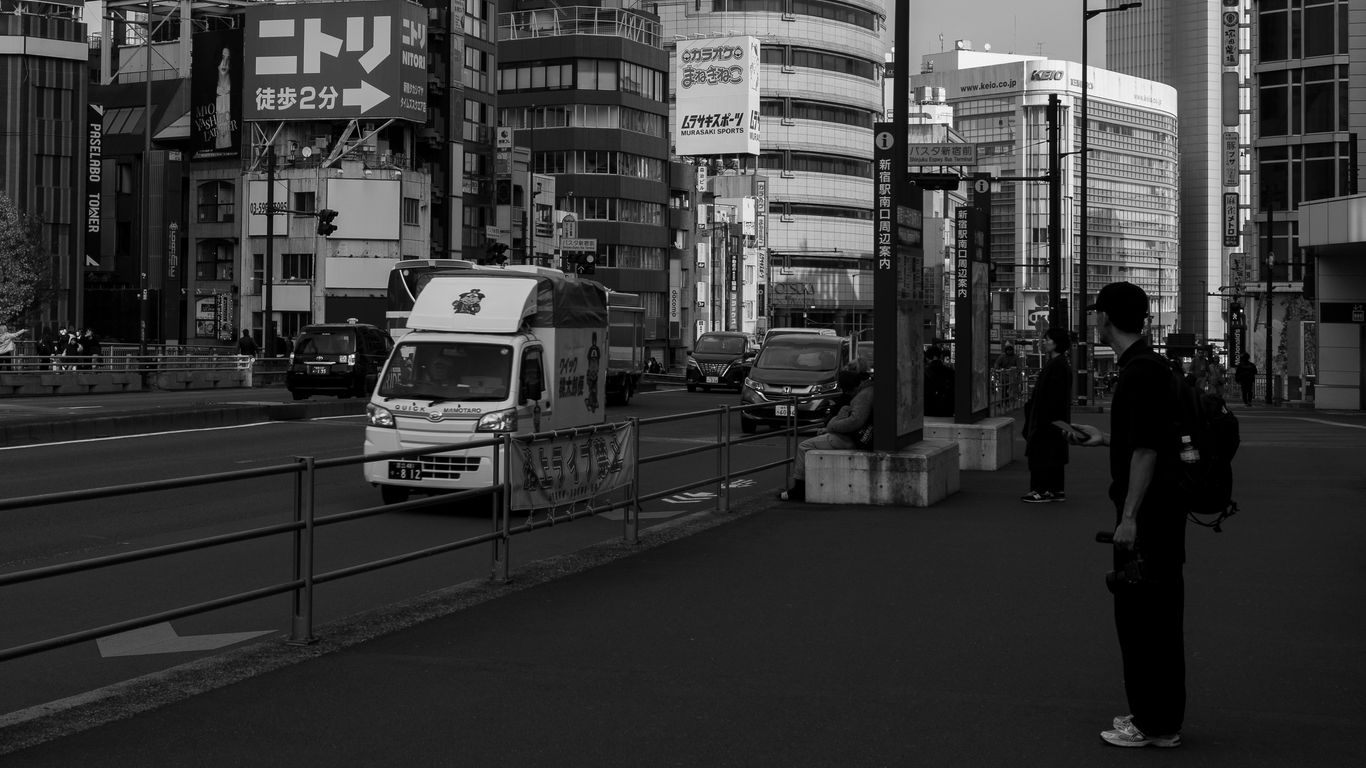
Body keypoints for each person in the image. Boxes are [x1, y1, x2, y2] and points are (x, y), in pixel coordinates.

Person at [1069, 281, 1187, 749]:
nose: (1096, 321)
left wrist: (1130, 517)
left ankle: (1152, 724)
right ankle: (1161, 720)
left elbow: (1147, 450)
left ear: (1107, 318)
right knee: (1159, 619)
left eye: (1098, 313)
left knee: (1142, 621)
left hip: (1149, 518)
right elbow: (1145, 439)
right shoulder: (1152, 366)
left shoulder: (1139, 372)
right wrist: (1103, 439)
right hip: (1166, 513)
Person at [779, 360, 872, 502]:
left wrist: (832, 426)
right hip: (855, 436)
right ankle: (799, 488)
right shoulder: (868, 390)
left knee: (804, 446)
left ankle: (799, 489)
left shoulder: (863, 396)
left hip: (849, 438)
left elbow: (854, 421)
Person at [1021, 328, 1072, 503]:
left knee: (1041, 454)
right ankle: (1055, 489)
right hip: (1056, 420)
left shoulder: (1056, 365)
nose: (1043, 342)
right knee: (1054, 454)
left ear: (1056, 343)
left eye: (1047, 340)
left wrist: (1040, 418)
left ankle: (1040, 490)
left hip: (1047, 420)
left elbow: (1050, 396)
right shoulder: (1061, 364)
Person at [924, 345, 955, 417]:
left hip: (929, 409)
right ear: (940, 356)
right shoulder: (950, 371)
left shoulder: (925, 372)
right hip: (947, 408)